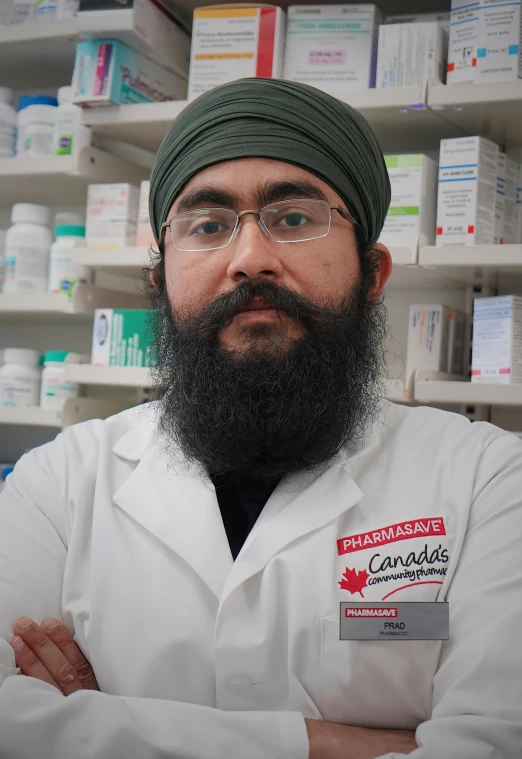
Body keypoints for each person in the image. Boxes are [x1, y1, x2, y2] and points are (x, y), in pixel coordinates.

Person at [0, 78, 521, 759]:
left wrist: (103, 724)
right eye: (209, 225)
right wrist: (336, 743)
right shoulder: (59, 484)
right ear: (160, 281)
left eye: (295, 218)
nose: (250, 258)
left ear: (374, 275)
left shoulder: (489, 479)